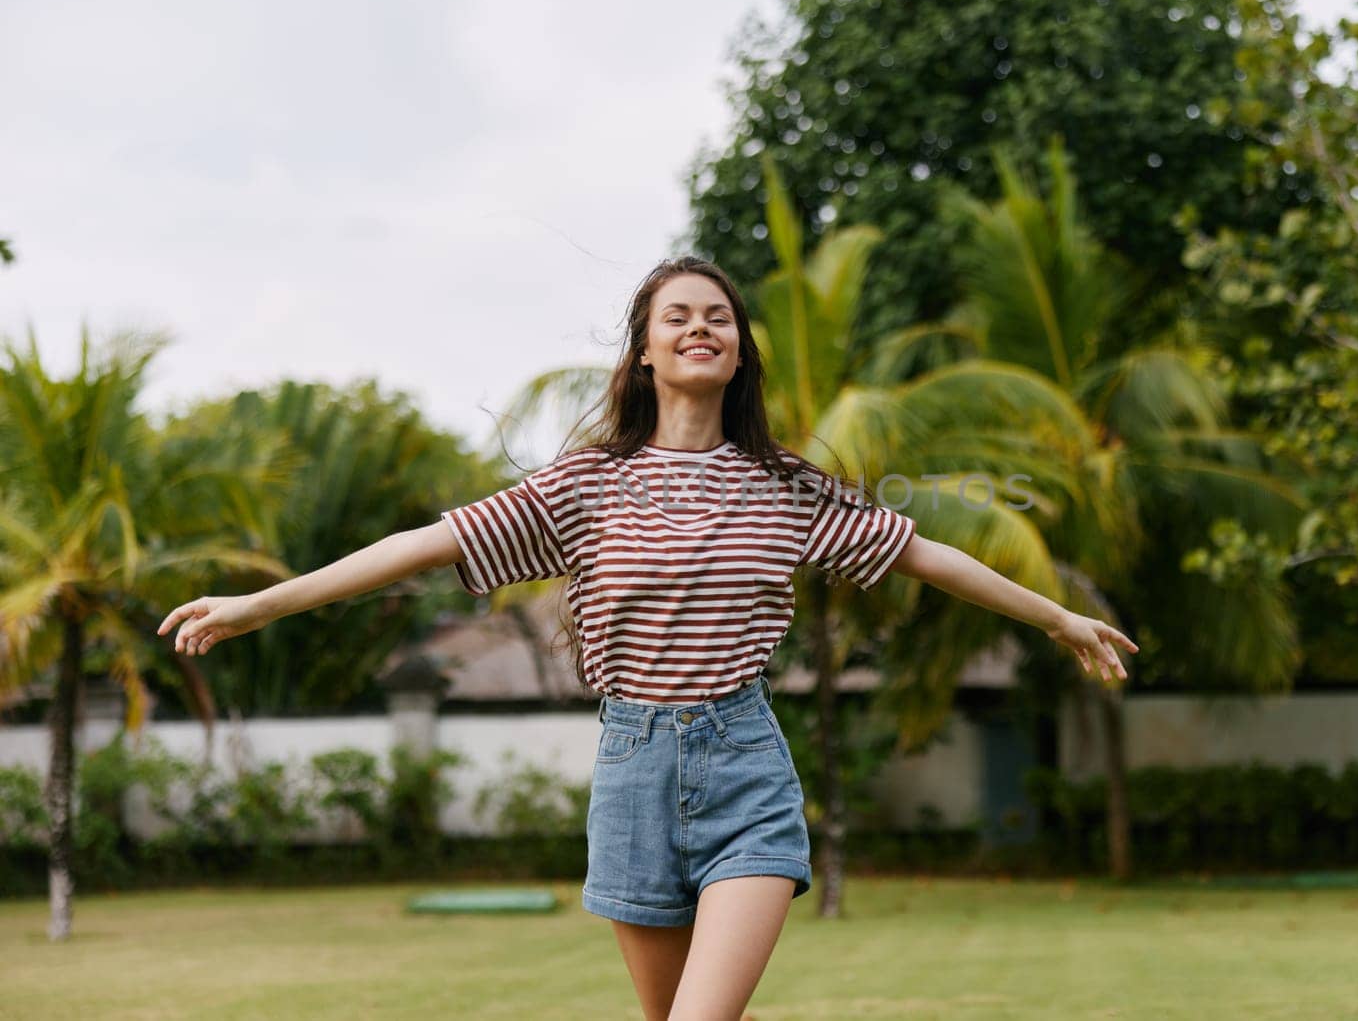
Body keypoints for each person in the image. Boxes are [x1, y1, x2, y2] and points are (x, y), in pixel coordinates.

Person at [157, 255, 1138, 1021]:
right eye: (679, 315)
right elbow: (426, 542)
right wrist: (259, 605)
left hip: (745, 764)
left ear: (741, 351)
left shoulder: (786, 488)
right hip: (630, 766)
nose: (702, 327)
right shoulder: (584, 485)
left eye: (719, 317)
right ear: (643, 352)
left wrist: (1054, 615)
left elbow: (924, 553)